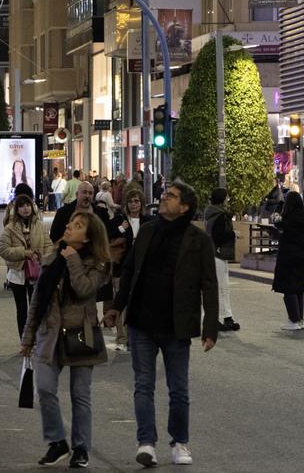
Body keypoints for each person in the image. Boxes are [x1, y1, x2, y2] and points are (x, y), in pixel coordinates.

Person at [104, 181, 218, 468]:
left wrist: (210, 328)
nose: (164, 198)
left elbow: (209, 285)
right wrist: (116, 308)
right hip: (142, 322)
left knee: (178, 388)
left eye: (171, 196)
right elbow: (130, 270)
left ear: (184, 207)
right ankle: (146, 443)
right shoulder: (147, 231)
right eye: (165, 194)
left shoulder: (198, 240)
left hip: (176, 325)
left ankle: (179, 442)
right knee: (143, 385)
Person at [21, 211, 112, 468]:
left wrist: (72, 259)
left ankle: (81, 447)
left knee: (80, 394)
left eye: (78, 226)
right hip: (49, 333)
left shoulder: (99, 262)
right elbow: (38, 299)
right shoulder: (53, 255)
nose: (70, 228)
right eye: (71, 224)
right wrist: (28, 336)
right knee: (45, 388)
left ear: (88, 236)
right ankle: (57, 441)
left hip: (81, 333)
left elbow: (84, 289)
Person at [0, 194, 52, 338]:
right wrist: (24, 253)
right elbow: (3, 249)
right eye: (22, 206)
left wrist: (42, 257)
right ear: (17, 209)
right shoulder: (10, 228)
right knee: (21, 309)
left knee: (36, 308)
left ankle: (35, 338)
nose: (26, 208)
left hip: (36, 272)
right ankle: (24, 339)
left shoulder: (40, 226)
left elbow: (48, 245)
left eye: (28, 205)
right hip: (18, 274)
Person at [107, 189, 150, 351]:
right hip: (122, 267)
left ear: (141, 204)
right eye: (131, 201)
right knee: (121, 301)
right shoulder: (119, 220)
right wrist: (121, 229)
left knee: (141, 301)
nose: (134, 205)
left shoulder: (148, 221)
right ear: (126, 204)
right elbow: (107, 235)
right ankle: (122, 336)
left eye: (137, 201)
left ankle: (138, 335)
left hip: (143, 268)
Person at [203, 189, 241, 332]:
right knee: (221, 287)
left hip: (214, 253)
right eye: (227, 197)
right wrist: (233, 234)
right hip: (218, 254)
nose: (228, 199)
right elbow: (219, 235)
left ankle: (226, 317)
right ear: (222, 199)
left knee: (222, 287)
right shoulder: (220, 215)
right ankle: (218, 319)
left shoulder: (211, 213)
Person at [273, 191, 304, 332]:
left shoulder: (287, 218)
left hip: (289, 256)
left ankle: (293, 320)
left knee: (289, 288)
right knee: (299, 288)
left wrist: (278, 213)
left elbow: (277, 223)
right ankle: (299, 320)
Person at [51, 181, 119, 248]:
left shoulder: (101, 213)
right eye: (84, 192)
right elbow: (54, 237)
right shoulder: (63, 212)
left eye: (90, 193)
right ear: (77, 194)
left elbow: (106, 235)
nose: (87, 196)